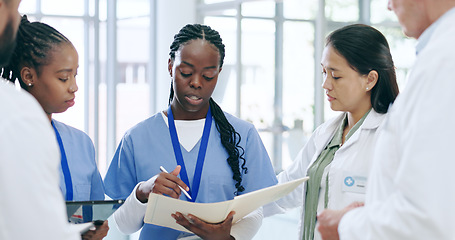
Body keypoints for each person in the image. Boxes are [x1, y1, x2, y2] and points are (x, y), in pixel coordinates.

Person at [104, 23, 278, 240]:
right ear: (170, 66)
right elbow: (124, 225)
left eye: (208, 76)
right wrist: (142, 192)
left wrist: (229, 238)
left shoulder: (243, 135)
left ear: (219, 73)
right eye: (186, 72)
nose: (196, 83)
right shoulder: (137, 138)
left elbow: (255, 209)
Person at [317, 0, 455, 239]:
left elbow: (430, 218)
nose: (390, 6)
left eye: (336, 76)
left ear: (370, 79)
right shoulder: (438, 55)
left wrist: (346, 224)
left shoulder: (445, 62)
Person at [262, 24, 399, 240]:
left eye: (336, 76)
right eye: (324, 73)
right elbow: (285, 189)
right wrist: (230, 210)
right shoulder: (325, 134)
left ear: (370, 79)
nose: (325, 84)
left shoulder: (392, 136)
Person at [1, 15, 108, 240]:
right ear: (29, 76)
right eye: (63, 78)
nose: (74, 87)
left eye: (75, 75)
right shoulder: (9, 139)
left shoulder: (81, 143)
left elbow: (97, 212)